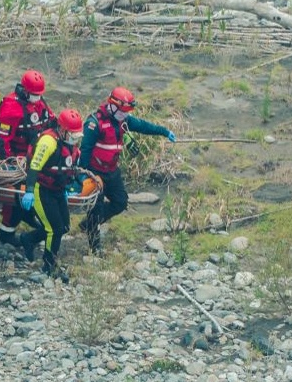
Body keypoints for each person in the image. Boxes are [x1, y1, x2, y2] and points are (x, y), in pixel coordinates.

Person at [78, 87, 175, 252]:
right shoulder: (94, 124)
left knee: (121, 202)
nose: (125, 114)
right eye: (123, 111)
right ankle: (95, 247)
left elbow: (144, 126)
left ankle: (87, 224)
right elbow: (85, 151)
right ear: (112, 106)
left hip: (112, 171)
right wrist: (86, 177)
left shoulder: (123, 120)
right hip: (96, 173)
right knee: (96, 208)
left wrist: (165, 132)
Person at [19, 108, 85, 281]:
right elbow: (34, 167)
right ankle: (49, 265)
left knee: (64, 227)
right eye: (73, 134)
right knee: (53, 229)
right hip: (41, 189)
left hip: (57, 189)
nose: (75, 138)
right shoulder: (48, 142)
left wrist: (69, 186)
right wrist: (29, 191)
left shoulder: (69, 143)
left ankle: (28, 239)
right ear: (62, 129)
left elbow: (69, 167)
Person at [0, 70, 53, 245]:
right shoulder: (11, 107)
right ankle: (6, 232)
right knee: (17, 195)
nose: (38, 97)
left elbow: (50, 120)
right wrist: (11, 164)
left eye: (39, 94)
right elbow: (2, 140)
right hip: (19, 159)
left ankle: (28, 214)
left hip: (36, 155)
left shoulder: (38, 102)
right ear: (25, 91)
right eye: (35, 94)